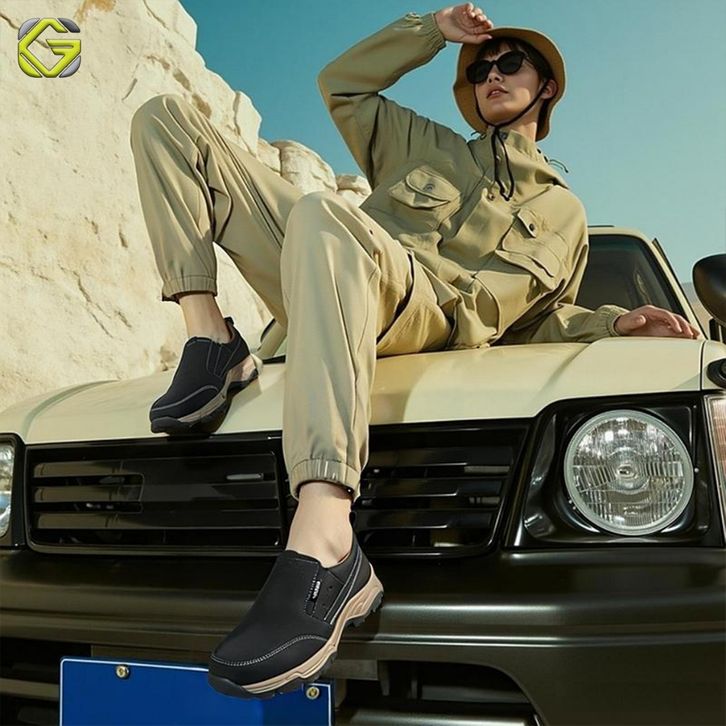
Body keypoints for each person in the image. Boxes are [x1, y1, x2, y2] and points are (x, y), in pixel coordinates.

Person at [129, 3, 700, 700]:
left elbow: (539, 321)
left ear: (547, 85)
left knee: (323, 213)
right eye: (480, 69)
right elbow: (341, 84)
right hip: (334, 286)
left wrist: (613, 323)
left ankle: (326, 536)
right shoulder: (422, 145)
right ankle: (211, 336)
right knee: (165, 118)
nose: (491, 74)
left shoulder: (565, 214)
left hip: (428, 316)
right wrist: (431, 31)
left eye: (509, 63)